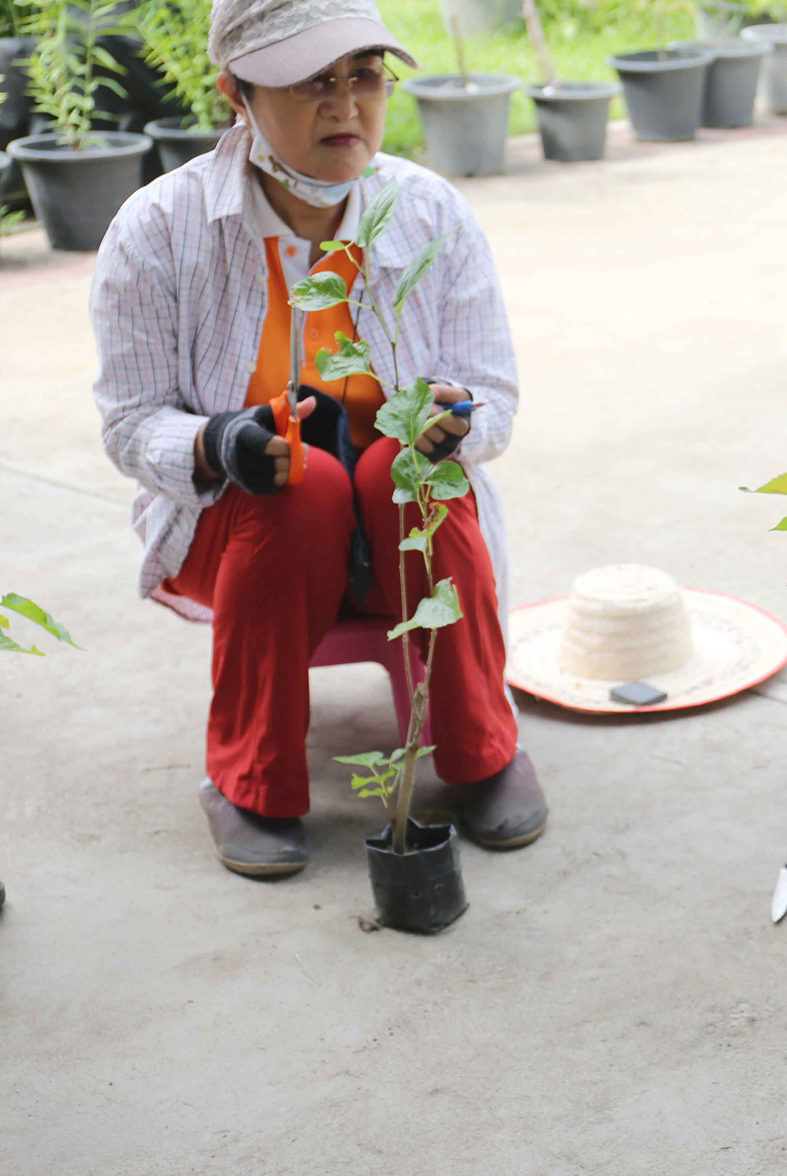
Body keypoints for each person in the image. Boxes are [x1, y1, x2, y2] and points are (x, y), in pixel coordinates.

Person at [91, 0, 546, 878]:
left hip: (401, 516)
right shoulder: (158, 230)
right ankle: (249, 781)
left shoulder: (429, 213)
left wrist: (458, 419)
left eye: (364, 75)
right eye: (310, 82)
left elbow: (493, 395)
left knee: (410, 473)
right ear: (237, 95)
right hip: (242, 526)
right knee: (300, 484)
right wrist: (218, 442)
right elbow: (130, 422)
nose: (345, 105)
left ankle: (483, 751)